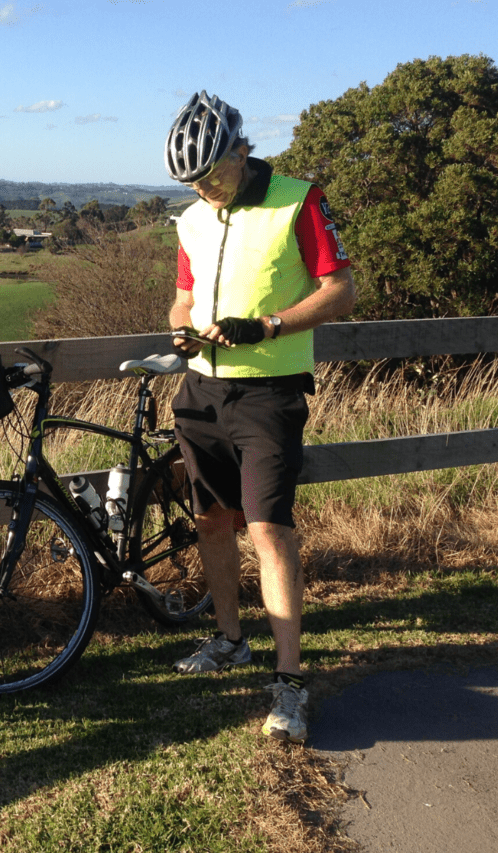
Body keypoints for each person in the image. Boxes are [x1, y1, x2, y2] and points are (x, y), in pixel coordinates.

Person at [162, 91, 356, 743]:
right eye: (194, 182)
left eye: (214, 174)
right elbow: (182, 300)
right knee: (212, 521)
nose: (207, 190)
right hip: (201, 392)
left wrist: (267, 325)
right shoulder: (190, 220)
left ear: (241, 152)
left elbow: (340, 290)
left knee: (270, 531)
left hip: (269, 394)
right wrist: (184, 331)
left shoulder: (298, 200)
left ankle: (291, 682)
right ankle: (228, 638)